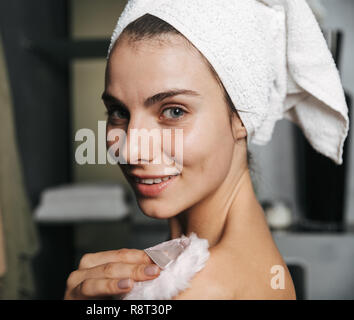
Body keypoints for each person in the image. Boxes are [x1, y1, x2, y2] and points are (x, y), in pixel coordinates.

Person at [65, 0, 348, 300]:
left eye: (173, 112)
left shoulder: (201, 290)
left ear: (241, 116)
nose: (132, 149)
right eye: (119, 112)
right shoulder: (206, 266)